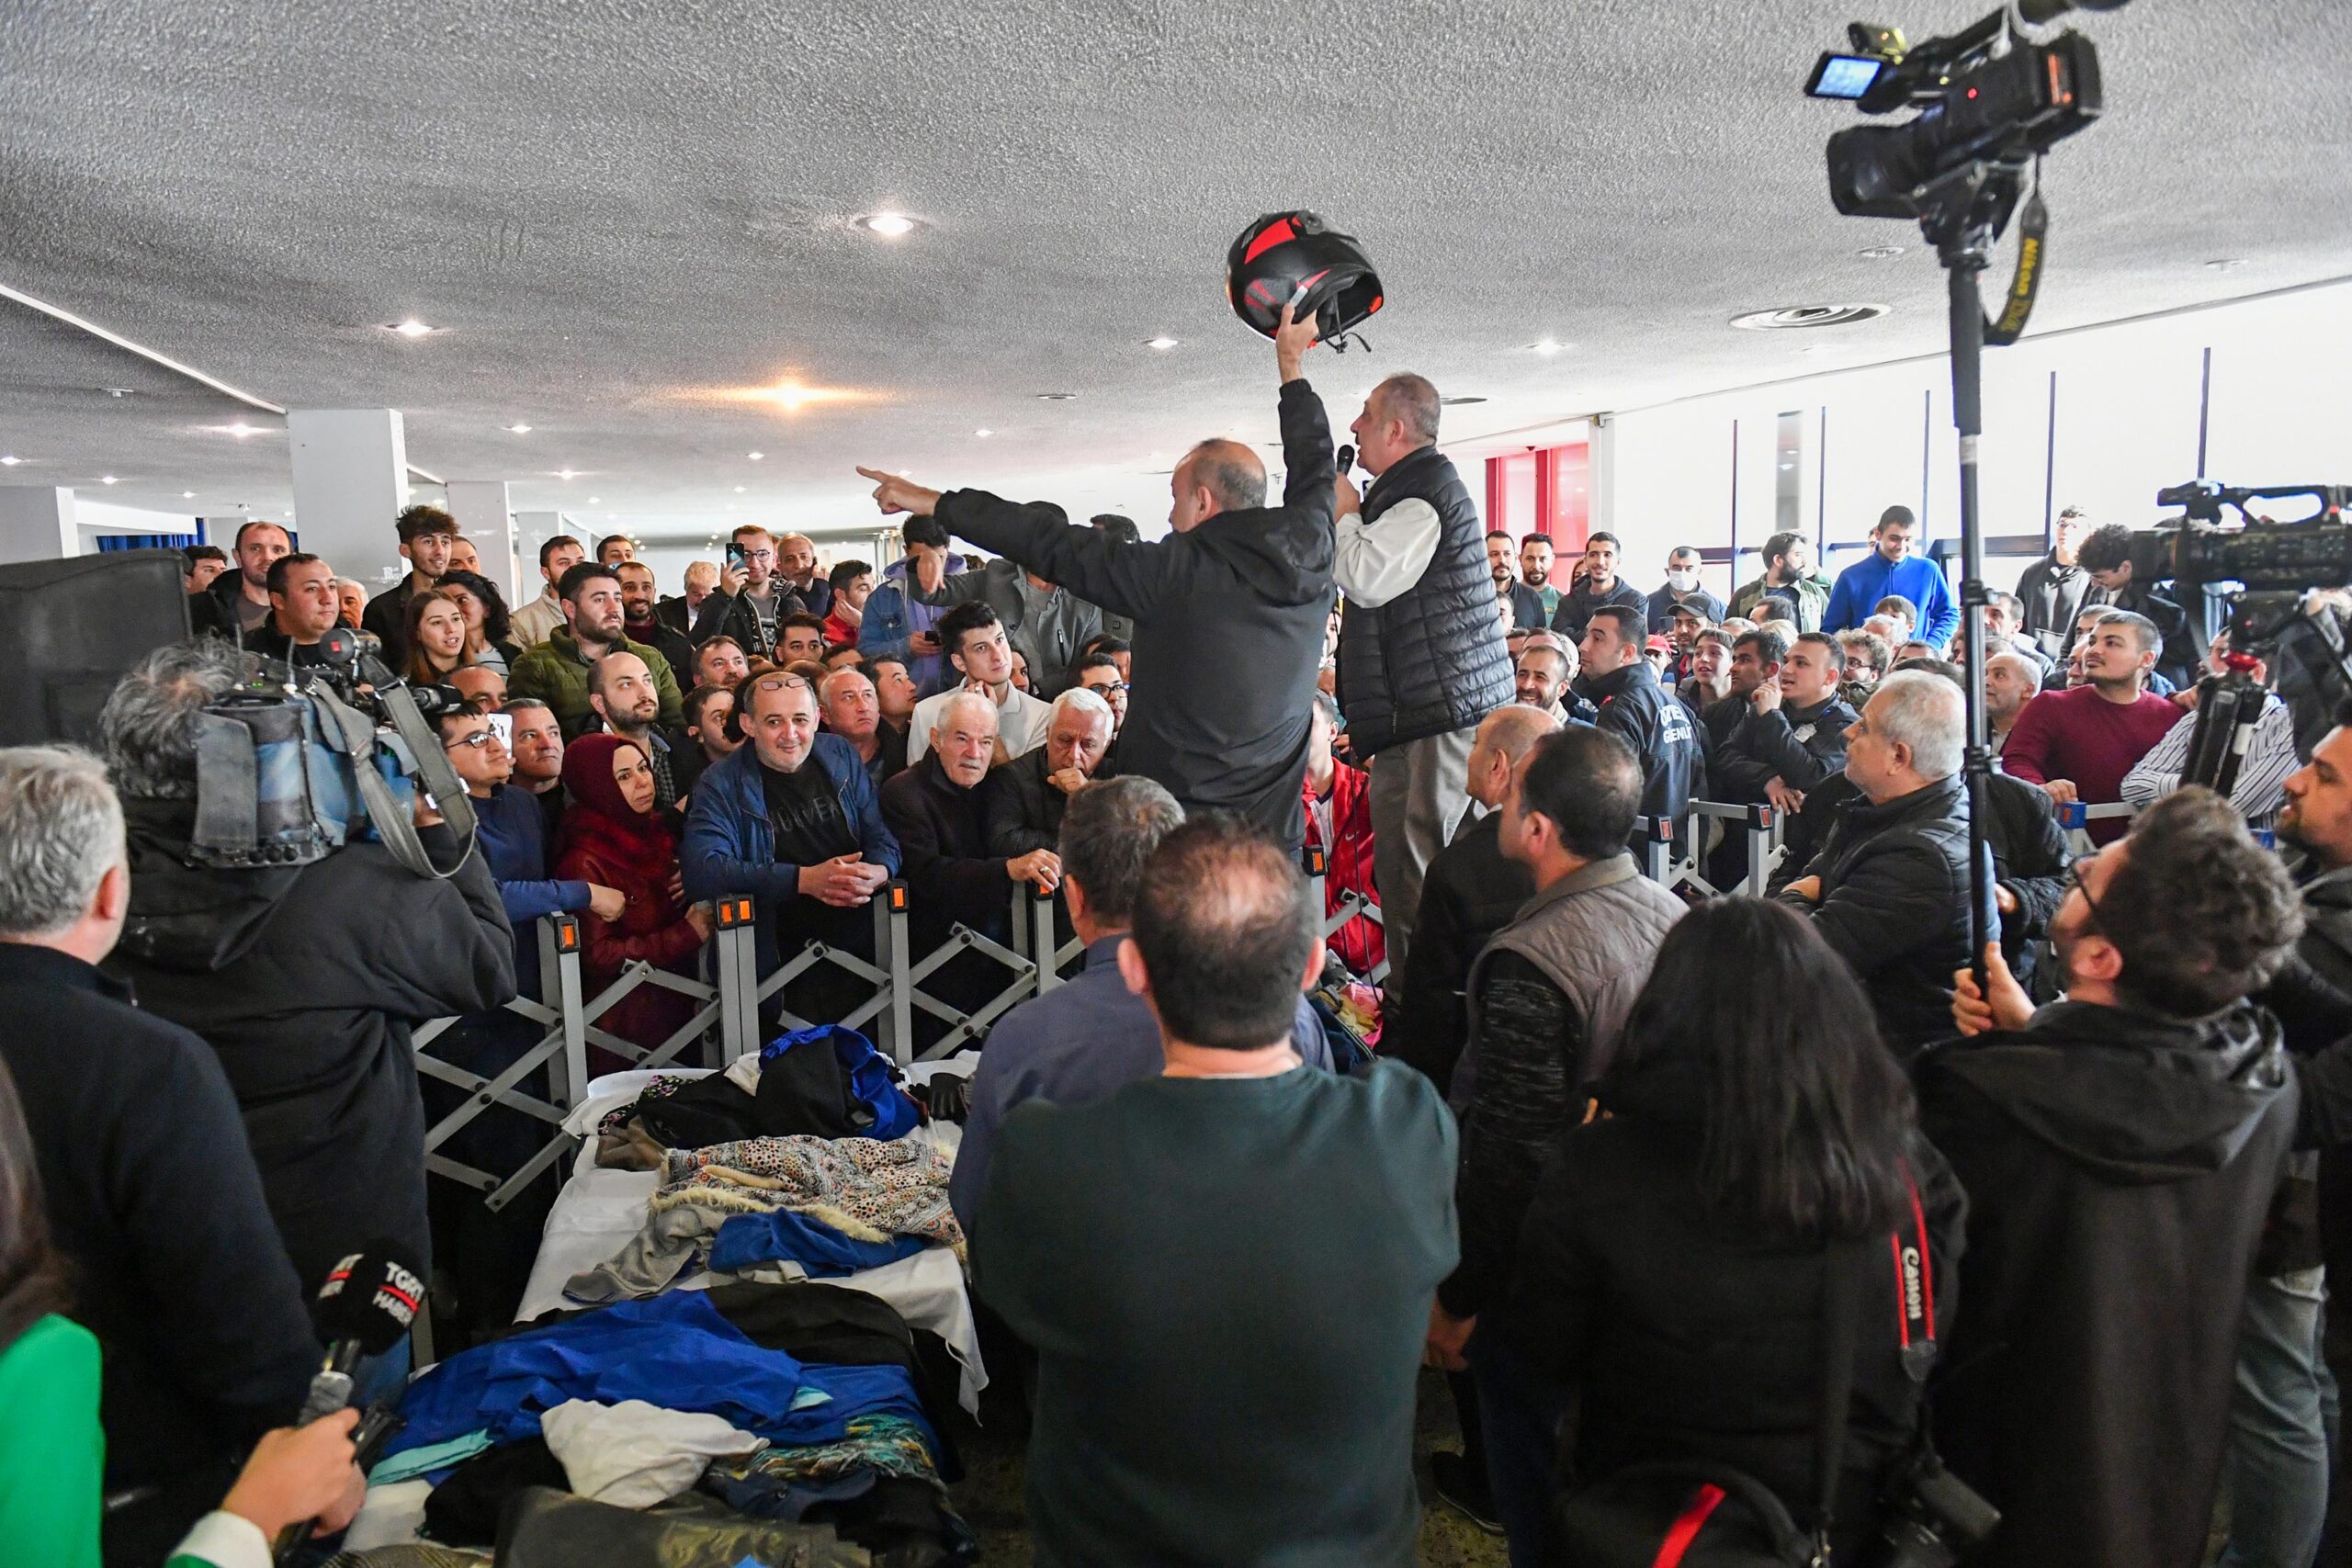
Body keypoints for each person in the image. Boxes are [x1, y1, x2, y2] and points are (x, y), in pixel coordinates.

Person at [969, 816, 1456, 1567]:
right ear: (1310, 966)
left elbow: (1004, 1289)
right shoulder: (1405, 1127)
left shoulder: (1050, 1158)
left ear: (1133, 970)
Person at [1490, 900, 1967, 1567]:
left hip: (1653, 1523)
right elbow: (1930, 1348)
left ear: (1668, 1017)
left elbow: (1541, 1351)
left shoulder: (1601, 1169)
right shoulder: (1911, 1175)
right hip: (1846, 1523)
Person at [1933, 788, 2301, 1568]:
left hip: (1999, 1479)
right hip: (2166, 1463)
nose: (2075, 871)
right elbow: (2129, 1094)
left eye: (2086, 877)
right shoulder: (2259, 1076)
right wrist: (2039, 1030)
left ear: (2101, 957)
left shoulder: (1979, 1096)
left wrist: (2023, 1050)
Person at [96, 641, 513, 1320]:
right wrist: (436, 825)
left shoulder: (92, 890)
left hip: (161, 1251)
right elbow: (487, 964)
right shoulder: (347, 892)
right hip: (339, 1266)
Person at [0, 749, 327, 1562]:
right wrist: (296, 1460)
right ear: (113, 889)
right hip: (149, 1511)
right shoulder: (145, 1064)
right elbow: (237, 1315)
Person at [862, 302, 1338, 851]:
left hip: (1172, 837)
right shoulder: (1313, 551)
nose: (1169, 517)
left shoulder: (1170, 573)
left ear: (1204, 501)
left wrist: (935, 502)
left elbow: (1045, 541)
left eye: (1176, 498)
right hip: (1270, 840)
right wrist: (1291, 367)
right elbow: (1316, 466)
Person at [1429, 726, 1684, 1547]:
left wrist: (1460, 1298)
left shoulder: (1534, 959)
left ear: (1537, 829)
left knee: (1541, 1500)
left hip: (1546, 1281)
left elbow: (1511, 1151)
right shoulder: (1674, 912)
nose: (1498, 803)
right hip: (1647, 1268)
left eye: (1512, 798)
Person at [954, 775, 1335, 1234]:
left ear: (1073, 897)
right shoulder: (1288, 1015)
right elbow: (1324, 1165)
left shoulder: (1024, 1041)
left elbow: (976, 1210)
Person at [1317, 375, 1513, 979]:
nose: (1354, 426)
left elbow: (1367, 574)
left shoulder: (1424, 494)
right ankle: (1424, 1010)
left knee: (1426, 868)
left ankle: (1436, 1017)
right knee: (1410, 869)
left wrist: (1345, 515)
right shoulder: (1410, 493)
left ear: (1395, 430)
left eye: (1366, 416)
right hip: (1422, 713)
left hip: (1440, 716)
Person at [1775, 670, 1979, 1055]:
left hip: (1893, 1061)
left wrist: (1794, 896)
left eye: (1865, 727)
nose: (1848, 733)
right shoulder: (1878, 810)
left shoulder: (1920, 857)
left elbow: (1803, 958)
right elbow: (1810, 876)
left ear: (1898, 757)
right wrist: (1803, 892)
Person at [680, 673, 900, 1016]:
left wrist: (880, 869)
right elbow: (702, 871)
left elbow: (881, 835)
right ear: (748, 724)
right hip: (777, 954)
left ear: (816, 718)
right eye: (774, 722)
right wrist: (804, 880)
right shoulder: (719, 783)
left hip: (865, 944)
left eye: (800, 719)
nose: (790, 734)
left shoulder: (839, 753)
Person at [1385, 704, 1555, 1100]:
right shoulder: (1576, 854)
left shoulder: (1457, 869)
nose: (1468, 757)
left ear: (1498, 764)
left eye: (1475, 745)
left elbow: (1432, 1005)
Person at [556, 735, 712, 1064]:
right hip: (625, 1026)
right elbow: (598, 955)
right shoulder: (584, 859)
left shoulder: (655, 833)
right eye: (623, 776)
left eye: (643, 768)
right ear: (596, 785)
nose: (643, 782)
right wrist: (686, 935)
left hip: (679, 1008)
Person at [2002, 608, 2181, 843]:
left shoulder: (2172, 715)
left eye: (2112, 643)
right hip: (2064, 850)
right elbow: (2017, 761)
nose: (2094, 650)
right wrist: (2042, 788)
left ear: (2146, 659)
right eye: (2093, 641)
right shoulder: (2050, 704)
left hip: (2151, 853)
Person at [2122, 635, 2300, 820]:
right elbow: (2132, 785)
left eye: (2223, 654)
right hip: (2187, 841)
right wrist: (2203, 782)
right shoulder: (2198, 718)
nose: (2202, 663)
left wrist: (2187, 784)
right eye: (2209, 651)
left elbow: (2234, 805)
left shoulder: (2290, 725)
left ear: (2256, 672)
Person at [508, 561, 684, 739]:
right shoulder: (535, 665)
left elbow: (678, 727)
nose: (614, 608)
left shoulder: (650, 658)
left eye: (617, 598)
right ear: (570, 608)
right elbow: (533, 739)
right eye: (600, 599)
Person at [901, 546, 1102, 702]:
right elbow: (931, 593)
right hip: (988, 699)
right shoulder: (995, 576)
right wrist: (922, 561)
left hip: (1057, 703)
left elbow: (1090, 664)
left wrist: (1040, 690)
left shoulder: (1084, 601)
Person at [1577, 604, 1701, 832]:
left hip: (1637, 852)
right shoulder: (1676, 705)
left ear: (1627, 653)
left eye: (1597, 639)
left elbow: (1607, 799)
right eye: (1586, 636)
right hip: (1677, 851)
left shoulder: (1619, 711)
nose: (1583, 646)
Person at [1713, 630, 1859, 817]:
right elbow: (1725, 756)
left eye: (1801, 663)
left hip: (1805, 834)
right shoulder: (1769, 706)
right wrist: (1767, 779)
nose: (1787, 669)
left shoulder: (1845, 724)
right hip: (1749, 828)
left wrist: (1772, 718)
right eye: (1787, 660)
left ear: (1829, 677)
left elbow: (1809, 776)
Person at [1295, 694, 1382, 976]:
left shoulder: (1367, 789)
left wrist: (1382, 771)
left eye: (1309, 722)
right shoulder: (1282, 799)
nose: (1298, 731)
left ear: (1333, 731)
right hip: (1302, 947)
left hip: (1370, 945)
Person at [906, 600, 1051, 766]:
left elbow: (1025, 791)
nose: (998, 656)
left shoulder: (1043, 716)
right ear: (959, 661)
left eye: (999, 640)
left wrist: (988, 721)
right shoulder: (928, 712)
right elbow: (917, 787)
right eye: (981, 648)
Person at [984, 686, 1115, 858]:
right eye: (1065, 740)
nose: (1074, 755)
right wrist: (1080, 847)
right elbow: (1002, 840)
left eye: (1088, 744)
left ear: (1106, 746)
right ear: (1048, 733)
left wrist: (1088, 798)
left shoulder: (1117, 777)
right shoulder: (1012, 776)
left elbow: (1130, 840)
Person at [2078, 522, 2199, 688]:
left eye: (2100, 576)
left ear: (2126, 567)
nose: (2095, 583)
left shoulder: (2162, 601)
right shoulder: (2096, 590)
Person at [1823, 505, 1957, 645]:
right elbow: (1830, 629)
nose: (1901, 546)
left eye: (1908, 539)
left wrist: (1930, 645)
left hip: (1915, 661)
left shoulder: (1928, 570)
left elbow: (1949, 615)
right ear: (1878, 534)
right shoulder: (1850, 577)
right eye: (1894, 538)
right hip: (1867, 662)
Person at [858, 516, 962, 691]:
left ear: (948, 551)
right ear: (906, 551)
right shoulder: (883, 597)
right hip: (905, 701)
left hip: (960, 696)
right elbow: (865, 652)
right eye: (920, 559)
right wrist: (905, 647)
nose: (930, 566)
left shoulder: (967, 590)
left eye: (938, 558)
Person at [359, 504, 458, 670]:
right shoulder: (382, 609)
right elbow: (377, 671)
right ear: (406, 550)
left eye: (445, 542)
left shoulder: (463, 598)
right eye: (428, 542)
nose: (440, 551)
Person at [583, 651, 679, 808]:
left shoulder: (676, 748)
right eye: (627, 684)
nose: (644, 693)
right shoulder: (587, 764)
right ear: (599, 703)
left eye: (647, 681)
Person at [2016, 504, 2099, 659]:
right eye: (2062, 524)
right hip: (2032, 660)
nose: (2065, 531)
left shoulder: (2094, 578)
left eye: (2074, 526)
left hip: (2074, 661)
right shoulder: (2032, 573)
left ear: (2089, 535)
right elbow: (2018, 619)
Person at [187, 521, 292, 643]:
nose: (267, 557)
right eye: (255, 548)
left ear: (291, 559)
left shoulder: (308, 605)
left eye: (278, 550)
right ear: (238, 556)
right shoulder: (197, 609)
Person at [1548, 530, 1647, 646]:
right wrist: (1605, 636)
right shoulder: (1568, 602)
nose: (1600, 562)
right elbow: (1559, 640)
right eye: (1593, 554)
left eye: (1607, 555)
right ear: (1585, 560)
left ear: (1618, 561)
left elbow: (1632, 643)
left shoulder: (1635, 602)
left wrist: (1580, 635)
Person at [244, 552, 344, 667]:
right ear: (278, 601)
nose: (328, 599)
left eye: (331, 587)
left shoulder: (360, 649)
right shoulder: (246, 655)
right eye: (312, 589)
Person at [819, 665, 906, 788]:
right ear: (825, 714)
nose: (863, 707)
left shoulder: (906, 755)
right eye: (848, 697)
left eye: (867, 695)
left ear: (878, 706)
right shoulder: (813, 761)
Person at [1730, 530, 1836, 630]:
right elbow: (1730, 634)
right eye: (1798, 555)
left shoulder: (1814, 593)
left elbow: (1830, 631)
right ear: (1778, 560)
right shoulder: (1744, 596)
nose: (1804, 561)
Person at [614, 560, 694, 681]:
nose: (639, 595)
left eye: (646, 587)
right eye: (629, 588)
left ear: (654, 592)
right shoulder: (604, 643)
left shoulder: (677, 642)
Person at [435, 568, 523, 677]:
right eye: (447, 603)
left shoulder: (513, 655)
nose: (455, 609)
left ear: (487, 608)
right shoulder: (441, 659)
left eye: (462, 600)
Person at [503, 697, 568, 839]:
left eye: (553, 733)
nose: (548, 744)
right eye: (530, 736)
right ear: (505, 746)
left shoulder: (584, 798)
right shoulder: (496, 809)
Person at [509, 534, 585, 648]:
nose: (575, 568)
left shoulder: (601, 609)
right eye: (564, 563)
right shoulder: (522, 621)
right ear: (546, 573)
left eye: (579, 562)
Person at [673, 682, 740, 801]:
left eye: (734, 713)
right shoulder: (697, 788)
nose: (731, 722)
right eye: (719, 717)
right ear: (697, 733)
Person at [401, 584, 475, 686]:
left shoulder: (483, 677)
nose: (451, 629)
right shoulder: (408, 690)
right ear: (417, 632)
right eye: (437, 622)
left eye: (456, 619)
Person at [1645, 544, 1724, 633]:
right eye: (1676, 568)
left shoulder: (1717, 607)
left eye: (1689, 568)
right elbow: (1640, 639)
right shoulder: (1648, 604)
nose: (1682, 573)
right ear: (1667, 571)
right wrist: (1657, 641)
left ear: (1699, 572)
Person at [1513, 638, 1589, 728]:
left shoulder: (1585, 738)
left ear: (1562, 688)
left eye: (1540, 677)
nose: (1526, 685)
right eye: (1522, 675)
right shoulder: (1499, 727)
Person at [1983, 647, 2041, 754]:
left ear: (2028, 690)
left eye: (1999, 675)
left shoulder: (2043, 737)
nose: (1985, 681)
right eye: (1985, 674)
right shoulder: (1970, 730)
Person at [1488, 530, 1546, 631]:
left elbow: (1540, 642)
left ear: (1516, 557)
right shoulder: (1471, 598)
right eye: (1494, 554)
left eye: (1507, 554)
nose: (1502, 560)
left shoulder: (1532, 597)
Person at [656, 558, 719, 642]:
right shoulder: (662, 613)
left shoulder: (724, 613)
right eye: (696, 594)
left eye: (708, 595)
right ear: (686, 589)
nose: (702, 600)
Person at [1676, 624, 1734, 711]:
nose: (1703, 659)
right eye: (1698, 653)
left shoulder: (1745, 706)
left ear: (1733, 662)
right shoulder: (1681, 702)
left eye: (1714, 653)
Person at [775, 532, 831, 617]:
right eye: (790, 559)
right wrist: (821, 588)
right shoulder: (776, 599)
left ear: (814, 562)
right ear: (780, 567)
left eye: (804, 557)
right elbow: (809, 623)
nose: (799, 565)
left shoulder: (831, 591)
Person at [820, 558, 873, 648]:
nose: (872, 594)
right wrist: (864, 626)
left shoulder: (876, 621)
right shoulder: (826, 634)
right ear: (840, 594)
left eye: (872, 586)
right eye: (863, 589)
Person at [1519, 533, 1561, 621]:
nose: (1536, 566)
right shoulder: (1508, 598)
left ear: (1552, 561)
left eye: (1543, 559)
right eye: (1530, 558)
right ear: (1520, 559)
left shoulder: (1563, 601)